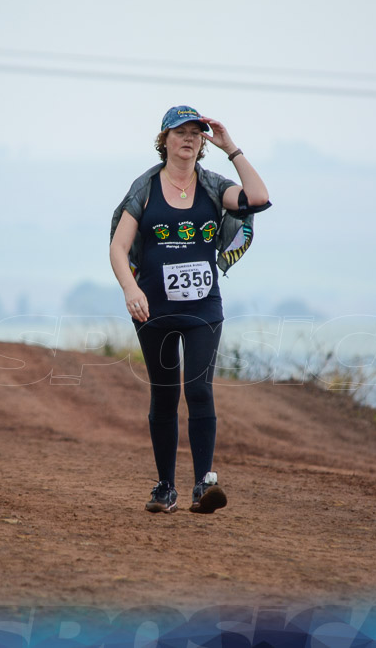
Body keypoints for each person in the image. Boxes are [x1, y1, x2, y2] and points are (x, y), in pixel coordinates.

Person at [109, 105, 271, 514]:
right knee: (164, 396)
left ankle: (203, 485)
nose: (189, 138)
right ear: (163, 139)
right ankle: (165, 488)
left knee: (198, 389)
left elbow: (258, 198)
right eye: (180, 132)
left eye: (196, 133)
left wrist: (231, 147)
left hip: (203, 308)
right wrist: (131, 289)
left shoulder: (215, 186)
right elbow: (118, 247)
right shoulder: (144, 189)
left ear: (203, 143)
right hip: (153, 308)